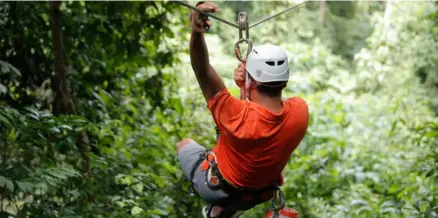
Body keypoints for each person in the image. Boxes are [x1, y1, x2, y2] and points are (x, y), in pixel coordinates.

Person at [176, 2, 309, 217]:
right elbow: (263, 114)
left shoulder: (235, 116)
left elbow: (201, 68)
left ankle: (222, 208)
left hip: (218, 189)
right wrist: (246, 86)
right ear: (284, 82)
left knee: (184, 145)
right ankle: (223, 213)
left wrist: (196, 29)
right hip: (259, 193)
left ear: (251, 80)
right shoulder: (300, 112)